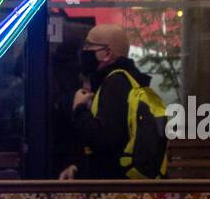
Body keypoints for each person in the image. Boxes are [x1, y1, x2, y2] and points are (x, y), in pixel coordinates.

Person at [59, 24, 168, 180]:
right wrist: (79, 168)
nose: (84, 51)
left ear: (107, 53)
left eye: (88, 45)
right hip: (125, 183)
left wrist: (79, 108)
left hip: (116, 188)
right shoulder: (130, 81)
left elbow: (104, 139)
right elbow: (118, 142)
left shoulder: (115, 83)